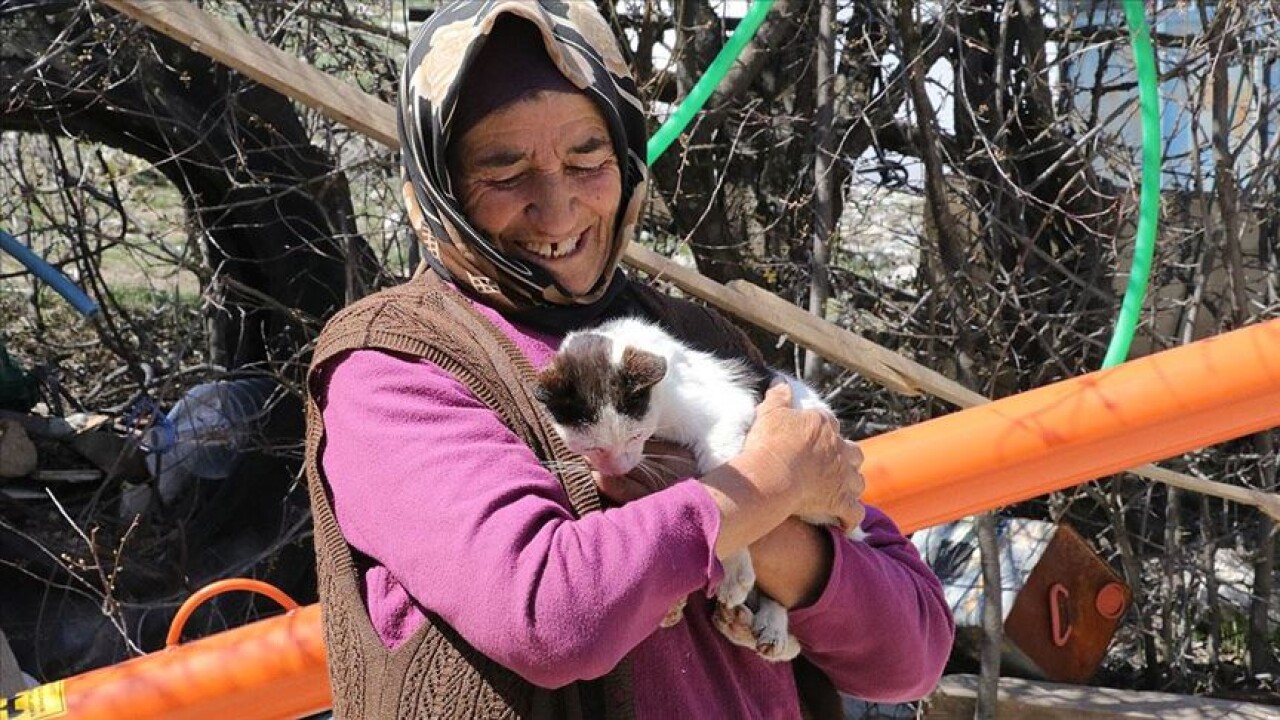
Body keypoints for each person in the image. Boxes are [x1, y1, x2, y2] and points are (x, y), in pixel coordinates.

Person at [303, 2, 954, 718]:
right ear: (440, 183)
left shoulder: (693, 341)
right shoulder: (395, 369)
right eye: (504, 170)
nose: (557, 209)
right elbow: (550, 613)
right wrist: (767, 485)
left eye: (587, 157)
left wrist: (766, 531)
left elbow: (912, 650)